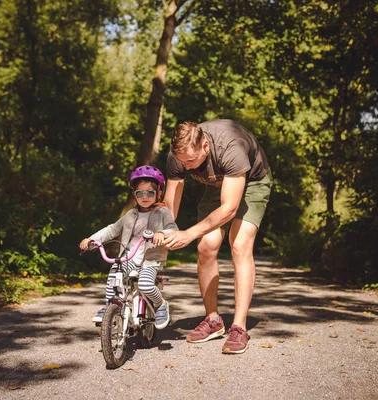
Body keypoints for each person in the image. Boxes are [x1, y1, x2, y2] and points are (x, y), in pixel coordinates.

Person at [163, 119, 272, 354]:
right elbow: (171, 204)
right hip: (216, 186)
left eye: (191, 161)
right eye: (182, 162)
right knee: (206, 246)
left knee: (240, 244)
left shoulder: (231, 147)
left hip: (251, 181)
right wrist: (165, 230)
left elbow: (229, 209)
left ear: (205, 146)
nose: (187, 167)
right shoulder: (178, 155)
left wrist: (189, 233)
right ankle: (213, 320)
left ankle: (239, 327)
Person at [79, 165, 178, 330]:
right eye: (140, 193)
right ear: (134, 194)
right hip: (129, 257)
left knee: (145, 285)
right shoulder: (130, 215)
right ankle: (111, 305)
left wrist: (162, 233)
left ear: (159, 193)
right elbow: (112, 229)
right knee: (114, 275)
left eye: (150, 193)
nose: (145, 196)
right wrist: (92, 239)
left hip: (150, 261)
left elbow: (173, 229)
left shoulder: (162, 213)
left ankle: (160, 304)